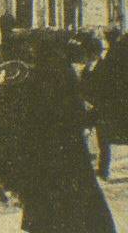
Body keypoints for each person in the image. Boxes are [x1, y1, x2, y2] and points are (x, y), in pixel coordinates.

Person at [18, 30, 116, 233]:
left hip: (43, 152)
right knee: (77, 205)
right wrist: (92, 115)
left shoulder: (34, 76)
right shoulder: (64, 74)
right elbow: (74, 114)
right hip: (69, 149)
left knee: (47, 206)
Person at [82, 28, 128, 180]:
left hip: (107, 104)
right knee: (104, 135)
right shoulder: (112, 57)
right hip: (111, 103)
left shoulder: (109, 60)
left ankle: (103, 169)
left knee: (103, 136)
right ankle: (103, 169)